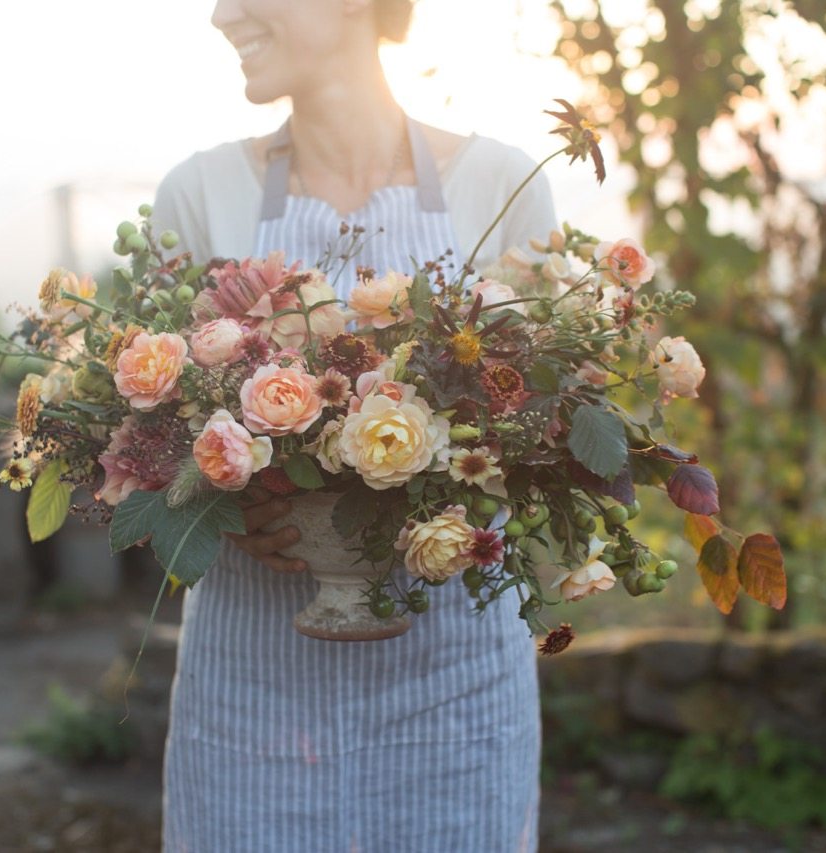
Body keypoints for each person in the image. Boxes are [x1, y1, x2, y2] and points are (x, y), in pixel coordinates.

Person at [151, 1, 557, 850]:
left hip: (455, 677)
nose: (223, 14)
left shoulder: (500, 185)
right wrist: (219, 508)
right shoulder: (200, 193)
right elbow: (150, 444)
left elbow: (546, 424)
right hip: (254, 679)